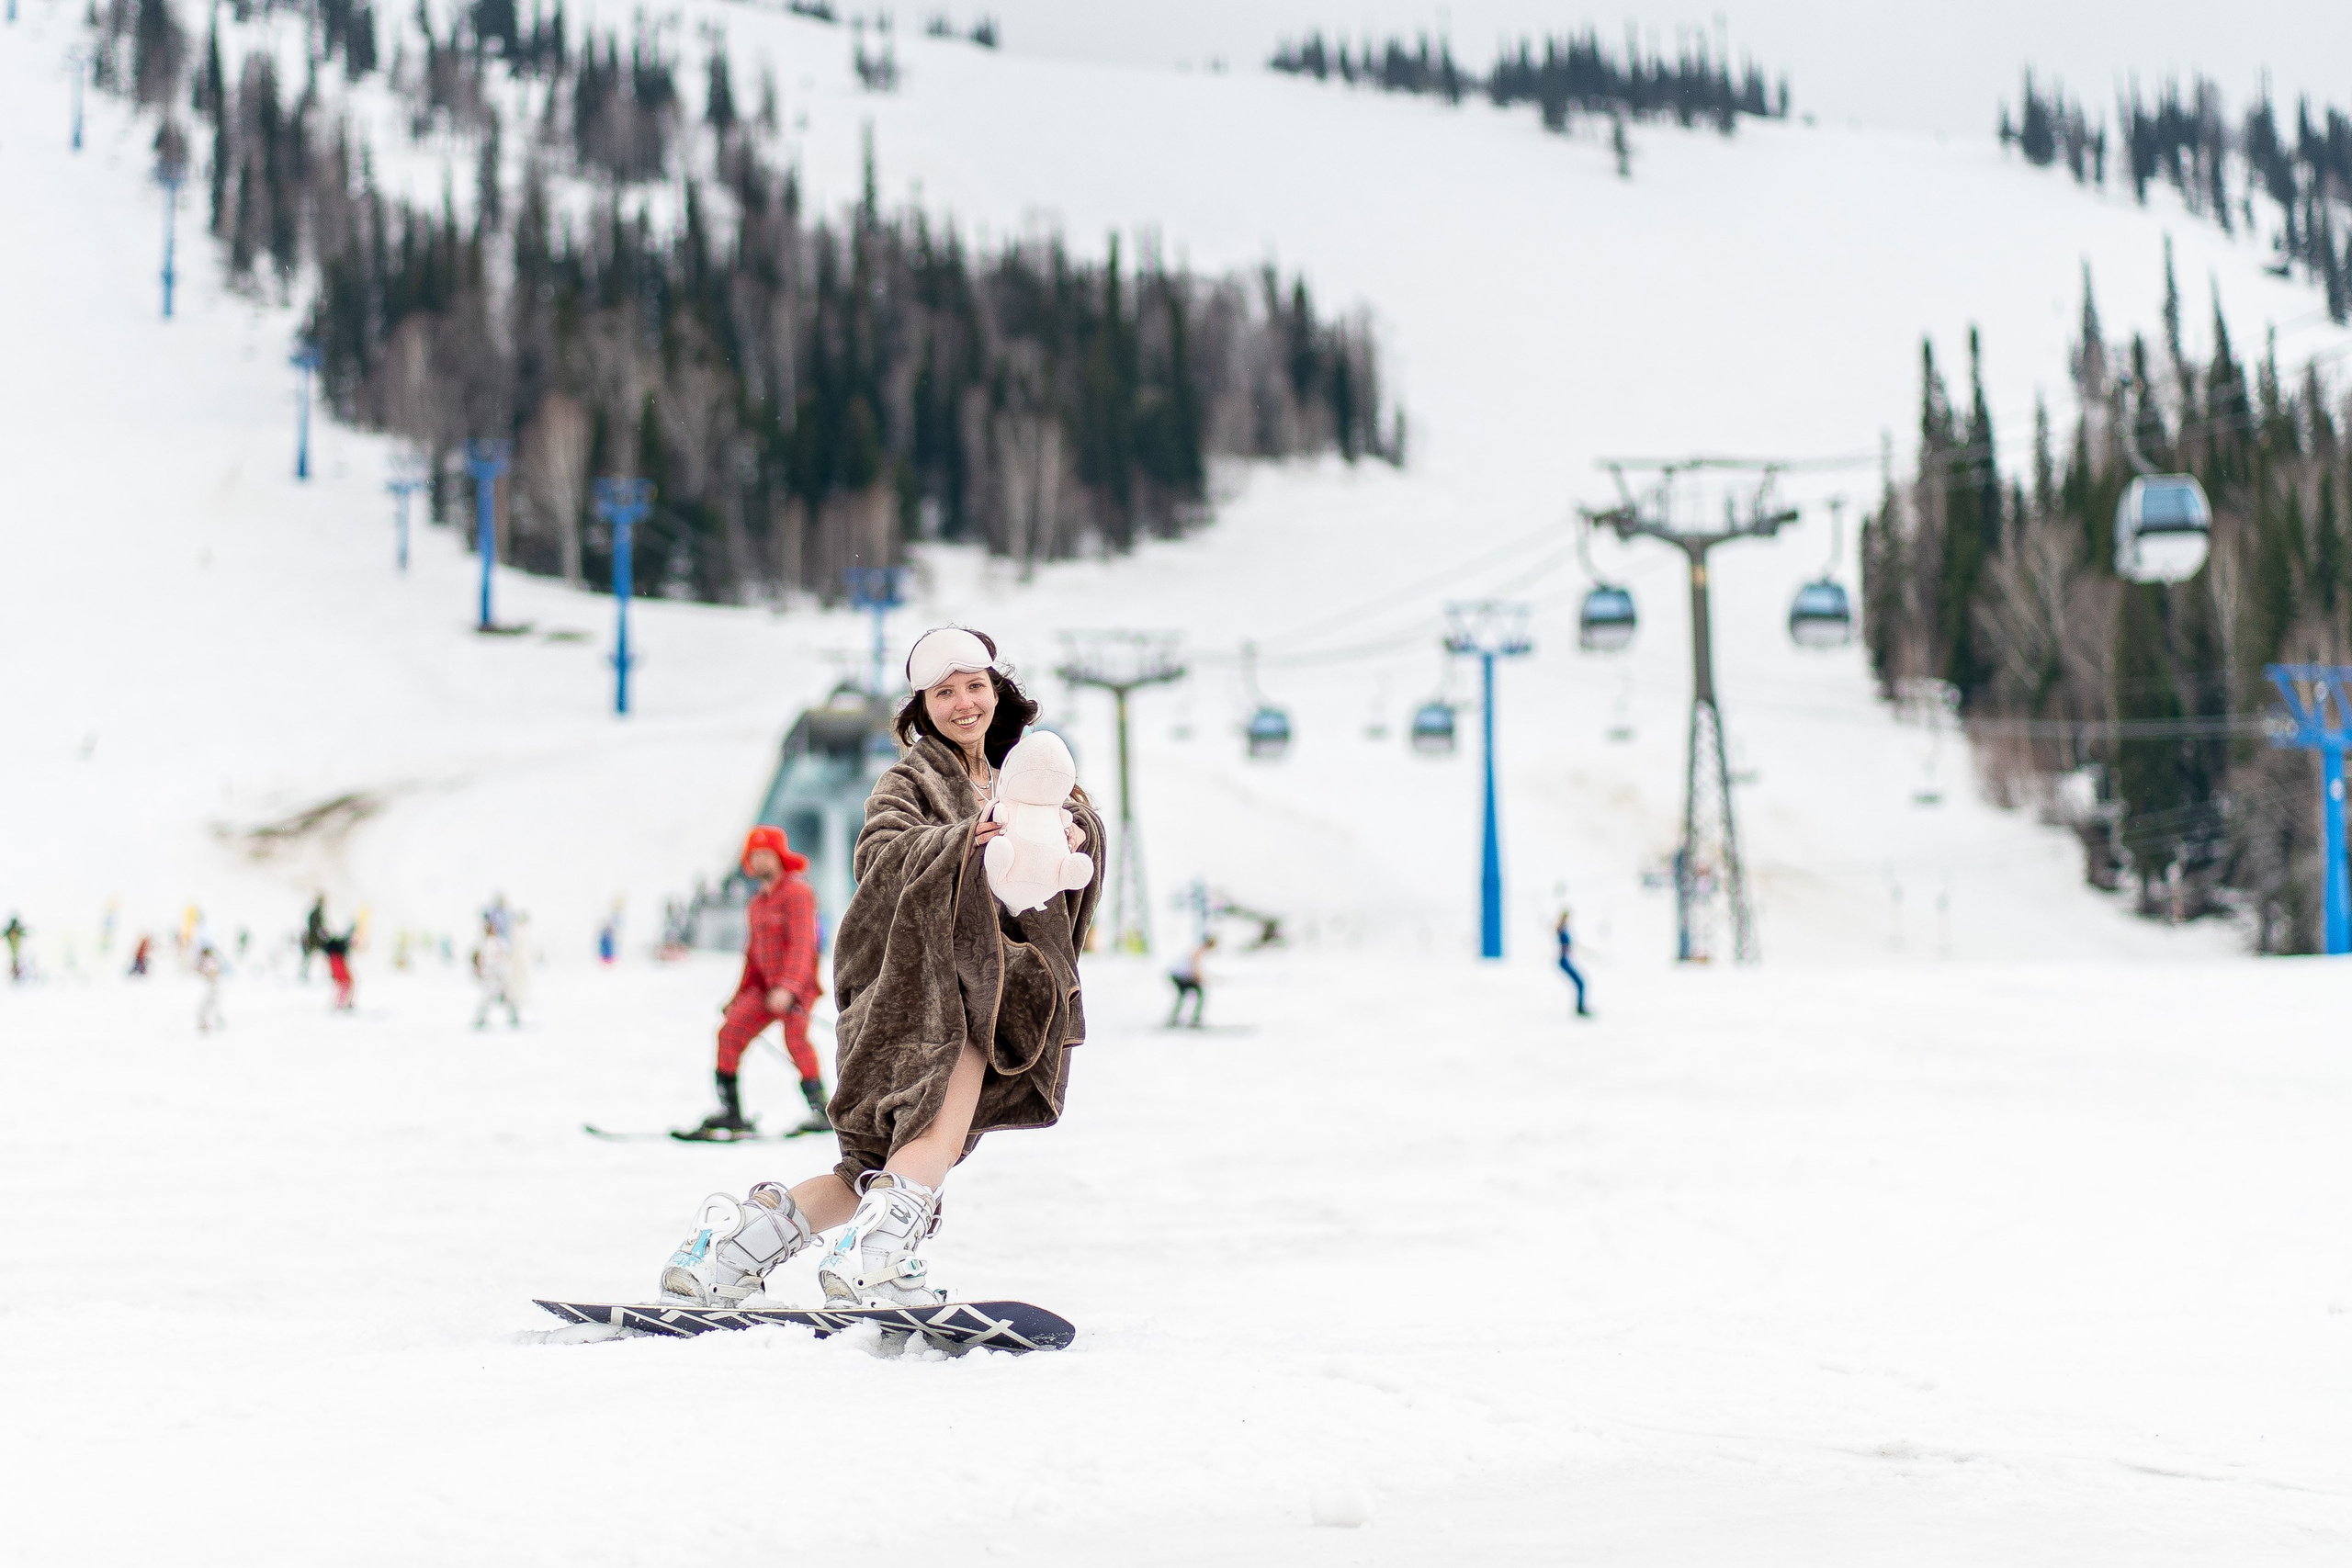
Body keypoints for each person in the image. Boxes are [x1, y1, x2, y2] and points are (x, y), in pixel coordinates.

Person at [656, 626, 1103, 1311]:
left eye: (974, 686)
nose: (963, 703)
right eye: (944, 691)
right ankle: (873, 1261)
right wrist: (964, 841)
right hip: (932, 995)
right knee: (933, 1137)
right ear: (921, 704)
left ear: (996, 690)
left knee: (865, 1168)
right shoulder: (910, 779)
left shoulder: (1019, 777)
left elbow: (1074, 839)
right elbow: (880, 857)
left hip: (993, 985)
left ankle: (727, 1254)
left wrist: (1068, 834)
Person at [678, 826, 825, 1141]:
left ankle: (820, 1110)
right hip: (765, 989)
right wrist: (738, 997)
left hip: (795, 989)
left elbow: (803, 945)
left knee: (796, 1040)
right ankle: (731, 1112)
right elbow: (753, 956)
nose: (759, 861)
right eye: (754, 855)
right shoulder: (757, 903)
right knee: (729, 1033)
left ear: (779, 856)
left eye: (765, 854)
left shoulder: (798, 893)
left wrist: (788, 988)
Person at [470, 914, 521, 1030]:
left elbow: (508, 955)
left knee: (509, 997)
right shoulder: (483, 943)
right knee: (487, 998)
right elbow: (478, 959)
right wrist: (479, 971)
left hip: (501, 975)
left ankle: (514, 1018)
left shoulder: (499, 942)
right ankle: (480, 1019)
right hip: (490, 976)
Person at [1167, 932, 1215, 1028]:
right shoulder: (1199, 950)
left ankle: (1174, 1019)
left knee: (1183, 995)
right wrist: (1203, 980)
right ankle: (1194, 1019)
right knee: (1200, 993)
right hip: (1178, 975)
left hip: (1176, 974)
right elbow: (1195, 969)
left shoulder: (1198, 949)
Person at [1555, 908, 1592, 1019]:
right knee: (1581, 983)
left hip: (1566, 960)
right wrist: (1567, 947)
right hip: (1563, 961)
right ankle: (1580, 1009)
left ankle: (1580, 1008)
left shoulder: (1564, 929)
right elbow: (1563, 945)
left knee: (1581, 983)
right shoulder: (1561, 929)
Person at [321, 921, 356, 1011]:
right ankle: (342, 1004)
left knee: (341, 984)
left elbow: (327, 960)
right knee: (347, 983)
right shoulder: (340, 944)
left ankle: (339, 1004)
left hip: (335, 964)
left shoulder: (330, 945)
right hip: (338, 963)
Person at [195, 942, 226, 1033]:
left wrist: (207, 974)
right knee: (211, 1005)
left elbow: (214, 971)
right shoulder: (210, 960)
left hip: (213, 987)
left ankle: (210, 1023)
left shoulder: (209, 961)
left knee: (208, 1005)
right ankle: (209, 1023)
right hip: (213, 986)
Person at [301, 896, 327, 981]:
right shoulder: (317, 913)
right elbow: (319, 927)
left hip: (313, 937)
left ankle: (304, 974)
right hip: (315, 938)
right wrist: (325, 936)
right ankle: (304, 974)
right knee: (323, 956)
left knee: (309, 957)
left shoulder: (314, 912)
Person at [3, 913, 25, 982]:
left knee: (16, 959)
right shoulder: (10, 931)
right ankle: (15, 974)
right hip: (13, 948)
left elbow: (25, 932)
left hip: (16, 948)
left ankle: (16, 974)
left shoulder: (18, 931)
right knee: (15, 959)